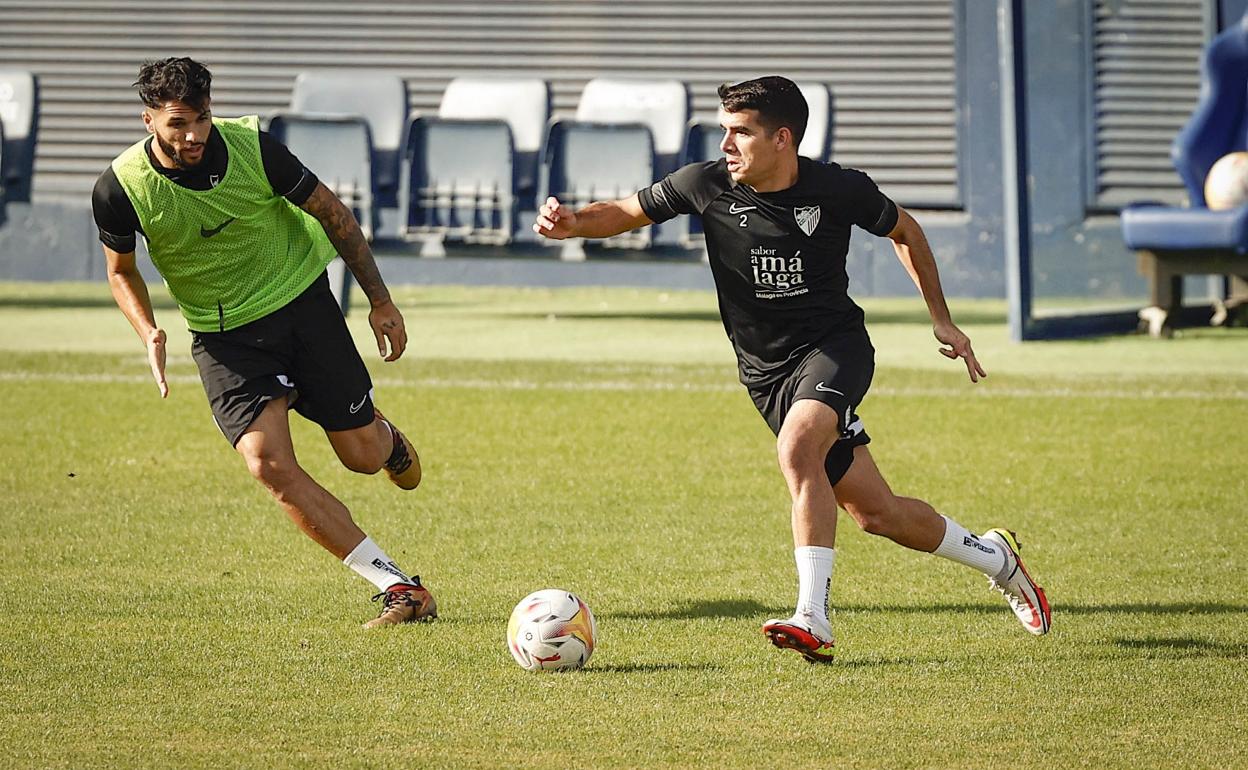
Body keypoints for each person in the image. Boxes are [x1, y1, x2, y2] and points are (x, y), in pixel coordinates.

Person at [534, 75, 1050, 662]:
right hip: (765, 374)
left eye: (740, 133)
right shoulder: (704, 184)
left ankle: (814, 617)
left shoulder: (837, 188)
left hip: (835, 348)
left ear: (782, 139)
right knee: (878, 514)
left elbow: (904, 229)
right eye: (724, 131)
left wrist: (942, 319)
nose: (726, 144)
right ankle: (997, 558)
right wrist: (573, 222)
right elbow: (626, 212)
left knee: (799, 448)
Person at [92, 57, 437, 629]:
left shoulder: (255, 148)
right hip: (224, 336)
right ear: (148, 119)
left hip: (301, 306)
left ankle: (384, 437)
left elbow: (333, 213)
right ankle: (400, 587)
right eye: (178, 123)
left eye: (201, 118)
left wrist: (380, 300)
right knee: (266, 462)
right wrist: (148, 328)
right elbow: (121, 271)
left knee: (363, 458)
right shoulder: (120, 187)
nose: (195, 134)